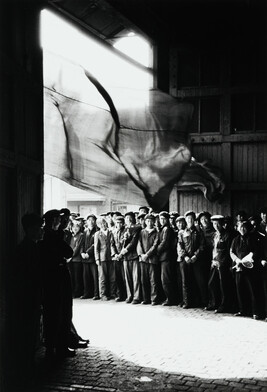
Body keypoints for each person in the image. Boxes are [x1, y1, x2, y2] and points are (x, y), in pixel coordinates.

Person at [39, 209, 76, 358]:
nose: (61, 222)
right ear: (54, 221)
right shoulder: (51, 235)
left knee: (55, 313)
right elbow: (68, 252)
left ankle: (53, 347)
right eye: (59, 220)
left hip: (53, 277)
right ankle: (58, 347)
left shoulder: (50, 234)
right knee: (60, 312)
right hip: (56, 276)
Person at [13, 213, 43, 385]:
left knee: (30, 334)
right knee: (27, 335)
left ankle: (28, 367)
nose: (42, 231)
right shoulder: (27, 249)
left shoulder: (30, 247)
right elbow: (28, 278)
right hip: (27, 300)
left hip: (29, 299)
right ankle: (26, 371)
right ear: (31, 229)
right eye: (40, 228)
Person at [177, 210, 207, 308]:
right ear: (185, 220)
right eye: (188, 218)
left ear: (194, 220)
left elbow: (202, 246)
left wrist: (195, 256)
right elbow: (180, 245)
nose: (189, 220)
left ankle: (202, 302)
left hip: (196, 260)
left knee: (199, 281)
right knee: (185, 281)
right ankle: (187, 302)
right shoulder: (182, 232)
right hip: (185, 260)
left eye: (191, 218)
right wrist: (185, 256)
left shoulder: (199, 231)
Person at [230, 220, 259, 319]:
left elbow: (255, 251)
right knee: (240, 289)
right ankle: (242, 310)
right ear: (237, 228)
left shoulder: (252, 239)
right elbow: (232, 252)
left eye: (244, 227)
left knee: (252, 290)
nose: (242, 229)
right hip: (239, 267)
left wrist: (248, 258)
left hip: (249, 268)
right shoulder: (235, 240)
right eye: (240, 227)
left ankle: (255, 312)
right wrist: (237, 260)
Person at [206, 215, 232, 313]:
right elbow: (214, 249)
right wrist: (213, 260)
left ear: (222, 224)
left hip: (223, 263)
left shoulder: (227, 235)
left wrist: (222, 262)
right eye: (214, 224)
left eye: (218, 224)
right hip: (215, 262)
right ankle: (213, 303)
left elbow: (229, 251)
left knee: (223, 285)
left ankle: (224, 306)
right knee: (212, 283)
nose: (216, 226)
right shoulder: (215, 235)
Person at [137, 214, 160, 305]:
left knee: (153, 280)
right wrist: (141, 254)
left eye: (151, 221)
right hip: (143, 259)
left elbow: (155, 245)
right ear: (145, 222)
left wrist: (147, 254)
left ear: (154, 222)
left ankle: (154, 299)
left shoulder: (156, 232)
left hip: (152, 259)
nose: (149, 223)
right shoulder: (142, 232)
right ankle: (146, 298)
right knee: (144, 279)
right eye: (147, 221)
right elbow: (139, 244)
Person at [120, 211, 142, 304]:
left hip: (134, 255)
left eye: (130, 218)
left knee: (135, 277)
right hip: (126, 257)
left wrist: (125, 250)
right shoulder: (125, 229)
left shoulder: (137, 228)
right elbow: (121, 241)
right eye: (126, 218)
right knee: (127, 277)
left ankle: (136, 297)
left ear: (133, 219)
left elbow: (134, 241)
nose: (128, 220)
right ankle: (129, 296)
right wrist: (123, 239)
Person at [94, 217, 116, 300]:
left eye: (104, 223)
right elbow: (96, 247)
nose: (103, 225)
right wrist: (97, 259)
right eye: (101, 224)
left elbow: (113, 244)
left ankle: (112, 293)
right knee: (102, 277)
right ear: (98, 225)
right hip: (102, 258)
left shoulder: (111, 232)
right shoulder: (97, 234)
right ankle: (103, 294)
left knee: (112, 277)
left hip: (111, 257)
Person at [157, 211, 175, 306]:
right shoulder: (163, 229)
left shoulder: (167, 229)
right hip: (164, 257)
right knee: (165, 279)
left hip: (166, 257)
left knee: (166, 279)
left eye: (164, 219)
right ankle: (169, 298)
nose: (162, 220)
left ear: (168, 219)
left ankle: (170, 299)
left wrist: (157, 251)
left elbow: (165, 243)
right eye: (160, 219)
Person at [80, 214, 100, 300]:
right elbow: (82, 244)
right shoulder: (85, 231)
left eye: (93, 220)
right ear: (87, 222)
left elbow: (95, 245)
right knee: (86, 277)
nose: (91, 222)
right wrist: (82, 253)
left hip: (92, 258)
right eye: (89, 220)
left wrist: (88, 253)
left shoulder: (97, 231)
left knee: (95, 277)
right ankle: (86, 293)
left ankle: (96, 294)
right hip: (84, 258)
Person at [111, 215, 127, 301]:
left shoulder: (126, 231)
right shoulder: (113, 232)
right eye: (117, 223)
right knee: (118, 277)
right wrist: (115, 254)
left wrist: (121, 254)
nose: (119, 224)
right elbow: (112, 244)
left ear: (123, 223)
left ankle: (127, 295)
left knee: (125, 277)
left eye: (121, 223)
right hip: (117, 258)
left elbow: (126, 244)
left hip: (124, 257)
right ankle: (120, 295)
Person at [68, 220, 84, 298]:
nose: (75, 228)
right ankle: (72, 291)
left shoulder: (81, 235)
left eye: (77, 227)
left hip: (76, 259)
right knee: (71, 276)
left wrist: (70, 256)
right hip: (70, 259)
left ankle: (77, 292)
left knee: (77, 277)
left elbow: (77, 247)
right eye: (73, 226)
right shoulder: (71, 235)